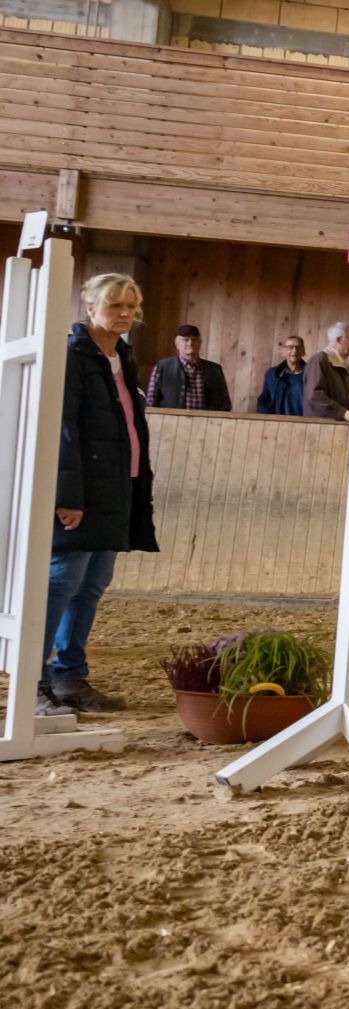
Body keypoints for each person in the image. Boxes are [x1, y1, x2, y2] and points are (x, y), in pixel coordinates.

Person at [42, 273, 158, 716]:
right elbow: (64, 427)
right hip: (84, 491)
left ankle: (70, 677)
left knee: (90, 586)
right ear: (90, 308)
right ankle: (34, 681)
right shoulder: (75, 355)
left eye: (131, 306)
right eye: (114, 305)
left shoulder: (122, 356)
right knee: (61, 583)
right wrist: (67, 494)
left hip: (118, 485)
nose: (125, 313)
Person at [145, 323, 231, 412]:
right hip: (171, 420)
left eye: (194, 340)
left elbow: (225, 404)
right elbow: (150, 403)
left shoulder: (215, 370)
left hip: (207, 421)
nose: (190, 343)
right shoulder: (162, 367)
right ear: (177, 344)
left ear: (200, 343)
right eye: (185, 340)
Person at [304, 321, 349, 421]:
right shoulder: (319, 360)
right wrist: (343, 413)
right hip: (323, 424)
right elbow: (315, 395)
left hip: (343, 423)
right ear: (339, 340)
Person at [255, 334, 305, 416]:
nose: (294, 350)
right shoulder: (272, 374)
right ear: (283, 352)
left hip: (305, 422)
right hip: (278, 421)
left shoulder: (311, 374)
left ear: (303, 351)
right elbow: (264, 399)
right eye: (290, 347)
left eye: (298, 347)